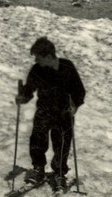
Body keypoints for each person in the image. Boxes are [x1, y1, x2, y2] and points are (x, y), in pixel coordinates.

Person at [16, 37, 86, 189]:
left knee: (62, 143)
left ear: (48, 56)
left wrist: (75, 106)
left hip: (64, 112)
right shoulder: (37, 70)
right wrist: (23, 97)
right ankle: (38, 169)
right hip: (44, 110)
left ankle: (59, 172)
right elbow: (29, 89)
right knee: (37, 139)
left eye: (38, 57)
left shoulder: (67, 67)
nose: (36, 60)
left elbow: (79, 91)